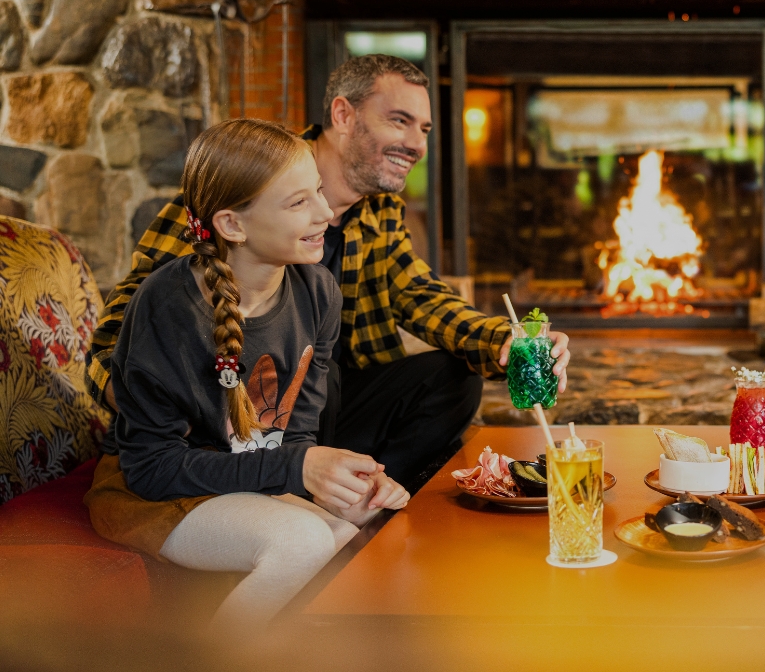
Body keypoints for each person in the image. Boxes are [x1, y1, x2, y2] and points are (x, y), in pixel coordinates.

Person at [87, 54, 571, 487]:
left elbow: (417, 293)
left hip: (313, 406)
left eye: (424, 129)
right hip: (235, 413)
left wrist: (499, 340)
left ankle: (371, 493)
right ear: (343, 115)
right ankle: (315, 483)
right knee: (325, 374)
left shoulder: (380, 211)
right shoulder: (245, 184)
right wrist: (187, 423)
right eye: (399, 120)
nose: (416, 143)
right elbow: (125, 329)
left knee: (450, 376)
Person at [84, 119, 409, 631]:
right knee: (302, 541)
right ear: (233, 225)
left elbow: (292, 434)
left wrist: (345, 482)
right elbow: (151, 469)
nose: (326, 213)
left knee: (359, 521)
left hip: (240, 482)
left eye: (319, 193)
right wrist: (298, 467)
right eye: (299, 202)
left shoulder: (318, 292)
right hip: (157, 493)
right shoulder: (167, 306)